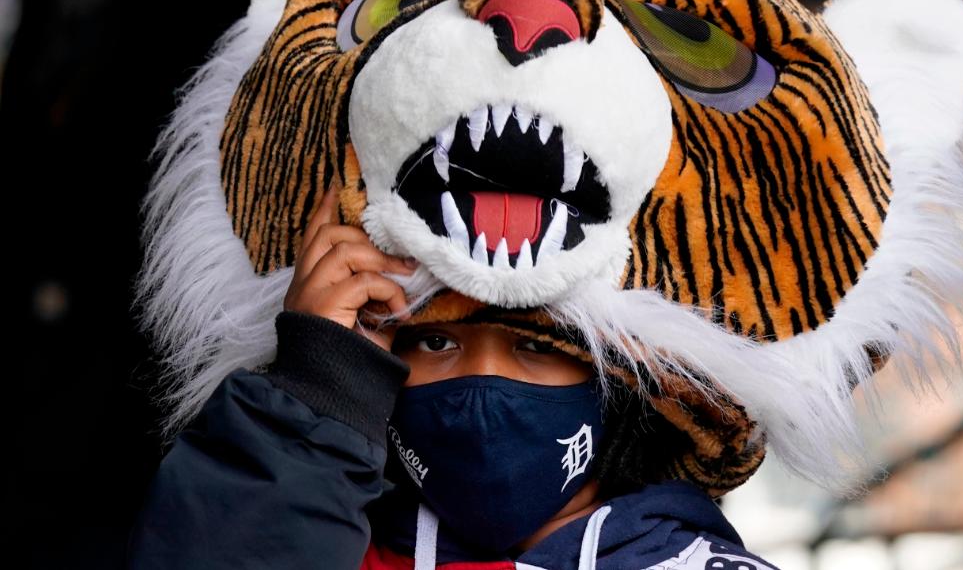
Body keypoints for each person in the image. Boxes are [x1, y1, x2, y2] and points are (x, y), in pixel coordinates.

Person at [126, 182, 778, 569]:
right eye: (435, 339)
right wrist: (316, 393)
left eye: (534, 344)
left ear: (618, 379)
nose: (484, 384)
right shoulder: (326, 544)